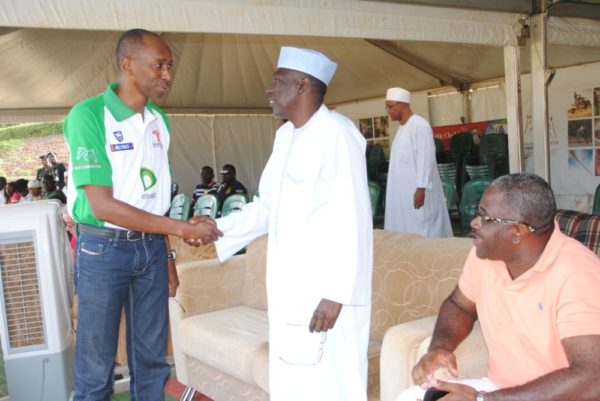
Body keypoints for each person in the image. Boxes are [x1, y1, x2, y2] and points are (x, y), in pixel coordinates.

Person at [63, 28, 221, 401]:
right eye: (159, 65)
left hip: (150, 250)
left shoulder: (159, 121)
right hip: (102, 251)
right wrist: (181, 229)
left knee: (151, 364)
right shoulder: (88, 115)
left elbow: (155, 202)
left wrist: (166, 253)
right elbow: (101, 205)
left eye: (170, 66)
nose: (167, 75)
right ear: (127, 65)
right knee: (96, 369)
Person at [213, 46, 373, 401]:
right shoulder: (285, 136)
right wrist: (216, 230)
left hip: (327, 292)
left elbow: (354, 217)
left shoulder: (338, 134)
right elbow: (267, 206)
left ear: (303, 86)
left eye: (278, 81)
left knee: (333, 383)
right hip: (290, 286)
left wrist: (337, 292)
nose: (270, 90)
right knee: (293, 381)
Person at [397, 172, 600, 401]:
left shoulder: (578, 274)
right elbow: (460, 305)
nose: (475, 223)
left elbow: (593, 379)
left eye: (485, 217)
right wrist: (440, 347)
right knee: (411, 397)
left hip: (559, 396)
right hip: (501, 389)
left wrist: (483, 399)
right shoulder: (484, 255)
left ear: (518, 232)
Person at [384, 87, 453, 237]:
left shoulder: (419, 125)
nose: (388, 111)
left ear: (402, 104)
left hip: (418, 193)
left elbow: (425, 158)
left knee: (424, 230)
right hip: (403, 194)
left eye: (390, 106)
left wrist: (421, 188)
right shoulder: (402, 129)